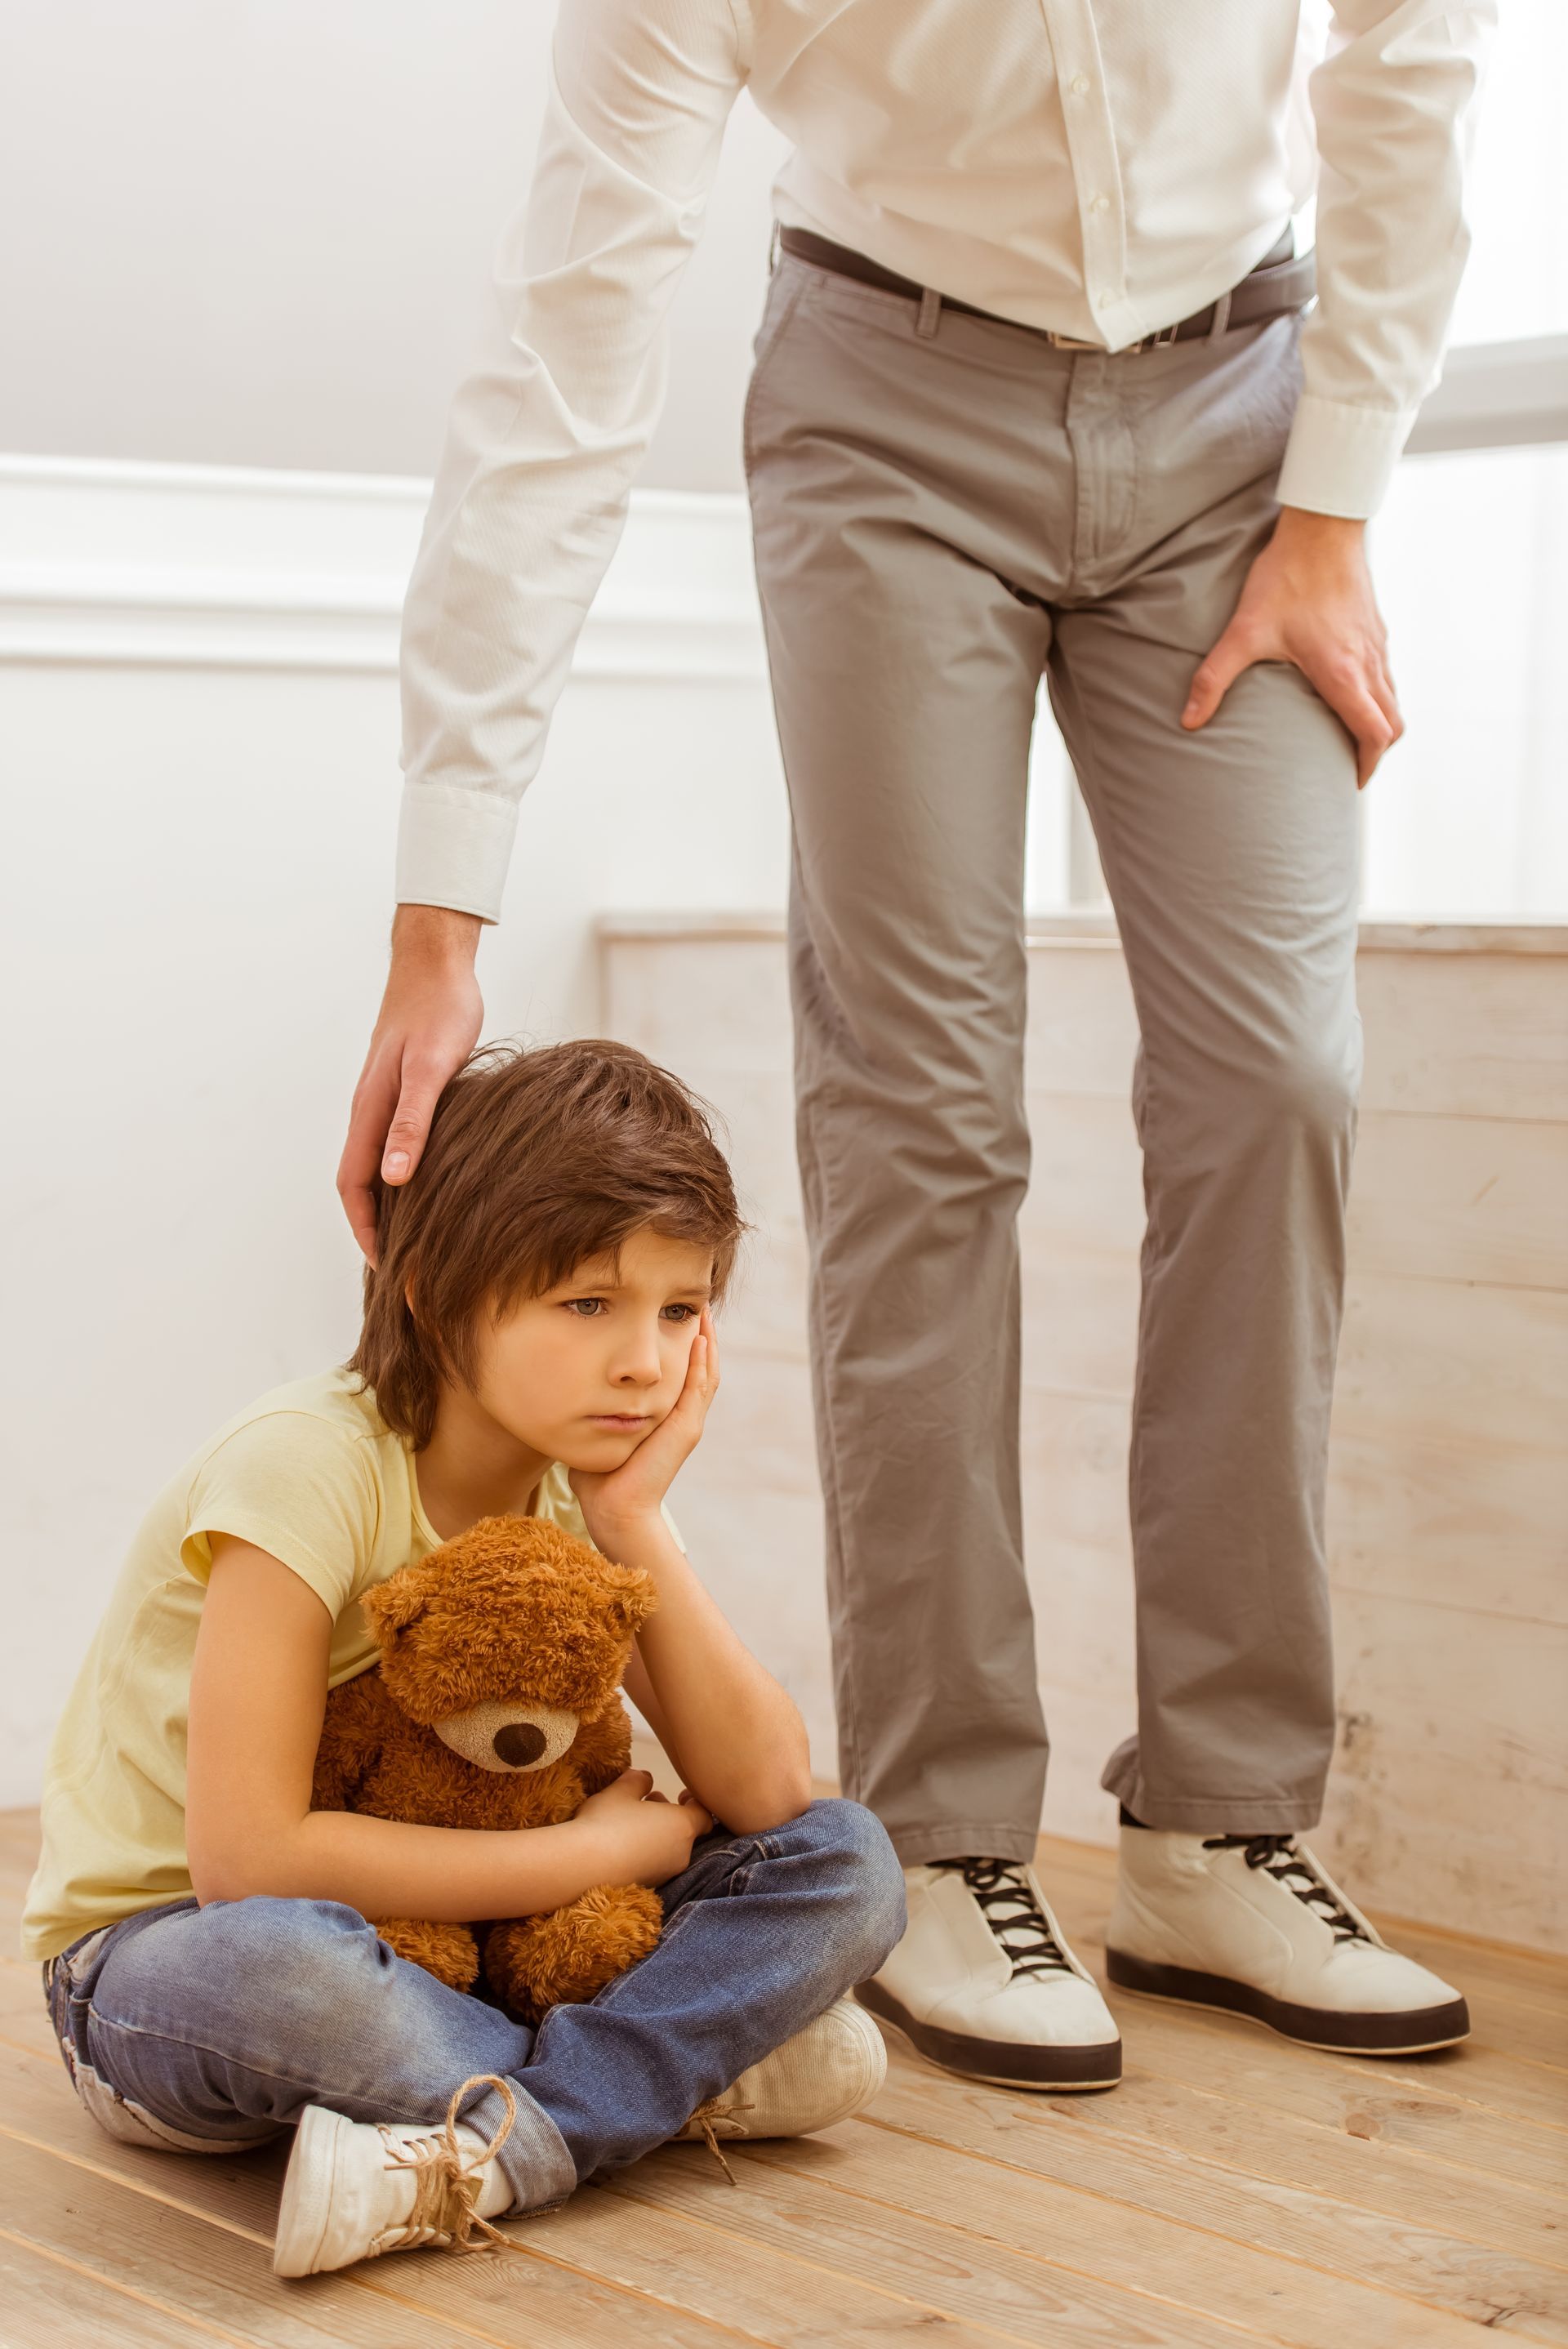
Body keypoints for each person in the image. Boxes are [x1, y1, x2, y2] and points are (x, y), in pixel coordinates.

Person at [341, 2, 1492, 2087]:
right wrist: (443, 916)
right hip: (888, 403)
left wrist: (1336, 506)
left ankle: (1225, 1822)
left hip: (1247, 397)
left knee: (1278, 1077)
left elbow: (1415, 50)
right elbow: (565, 348)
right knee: (922, 1110)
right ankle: (955, 1839)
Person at [23, 1041, 906, 2276]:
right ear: (434, 1292)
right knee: (288, 1969)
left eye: (681, 1310)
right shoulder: (306, 1464)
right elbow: (247, 1865)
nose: (645, 1363)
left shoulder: (581, 1490)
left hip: (478, 1959)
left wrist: (633, 1523)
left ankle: (510, 2131)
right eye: (588, 1304)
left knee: (845, 1857)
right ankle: (669, 2079)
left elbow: (766, 1797)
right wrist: (596, 1853)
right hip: (174, 1960)